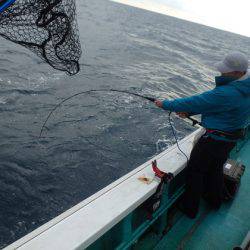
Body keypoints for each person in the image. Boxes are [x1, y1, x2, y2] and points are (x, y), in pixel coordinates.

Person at [154, 52, 250, 218]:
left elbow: (197, 101)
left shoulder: (228, 92)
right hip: (230, 139)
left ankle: (189, 209)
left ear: (237, 73)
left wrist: (165, 104)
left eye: (225, 70)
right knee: (214, 169)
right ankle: (215, 201)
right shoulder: (245, 86)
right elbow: (220, 106)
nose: (221, 73)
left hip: (214, 141)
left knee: (195, 172)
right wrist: (190, 112)